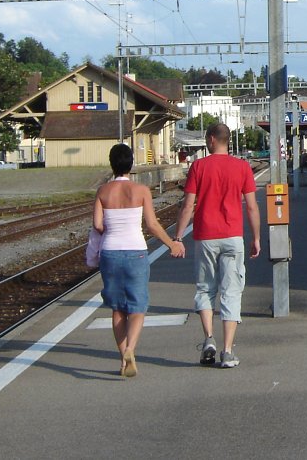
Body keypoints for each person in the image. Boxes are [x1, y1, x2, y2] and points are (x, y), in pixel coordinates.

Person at [93, 143, 185, 378]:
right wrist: (172, 243)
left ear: (112, 164)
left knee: (117, 309)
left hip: (110, 253)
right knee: (137, 306)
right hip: (136, 252)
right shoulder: (141, 190)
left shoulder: (103, 191)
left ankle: (123, 355)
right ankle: (131, 349)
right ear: (131, 164)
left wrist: (112, 229)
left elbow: (97, 225)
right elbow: (151, 225)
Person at [174, 123, 261, 368]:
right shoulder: (242, 167)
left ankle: (209, 338)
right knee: (231, 292)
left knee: (205, 289)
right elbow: (252, 206)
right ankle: (228, 351)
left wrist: (178, 237)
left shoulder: (199, 166)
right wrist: (255, 238)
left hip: (205, 237)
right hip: (233, 236)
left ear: (212, 139)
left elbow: (188, 206)